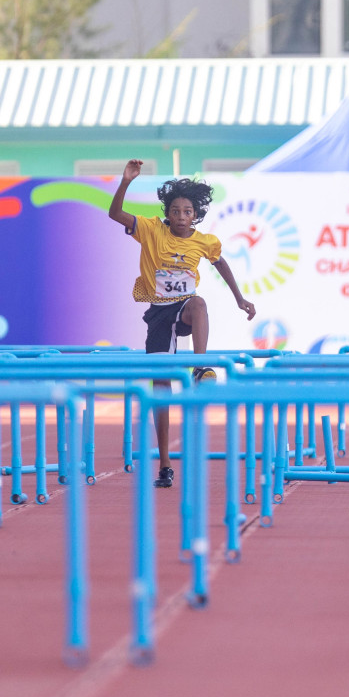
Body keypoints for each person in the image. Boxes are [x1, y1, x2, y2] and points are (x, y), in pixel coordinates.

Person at [108, 160, 256, 489]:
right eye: (174, 210)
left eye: (186, 211)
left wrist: (239, 298)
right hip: (159, 314)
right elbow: (114, 214)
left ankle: (200, 366)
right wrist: (125, 183)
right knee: (160, 390)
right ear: (168, 213)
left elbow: (221, 264)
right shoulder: (150, 229)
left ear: (195, 215)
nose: (180, 216)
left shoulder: (205, 241)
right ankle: (164, 463)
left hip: (185, 308)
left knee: (200, 303)